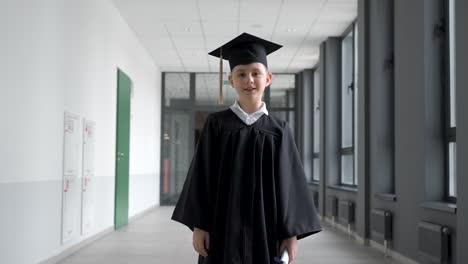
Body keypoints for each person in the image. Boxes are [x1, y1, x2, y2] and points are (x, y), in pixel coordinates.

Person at [171, 32, 321, 264]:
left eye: (255, 73)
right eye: (241, 74)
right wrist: (199, 225)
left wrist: (290, 233)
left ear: (268, 78)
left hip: (266, 226)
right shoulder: (216, 124)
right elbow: (201, 176)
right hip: (222, 224)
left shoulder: (279, 129)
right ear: (231, 80)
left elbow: (290, 183)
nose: (249, 80)